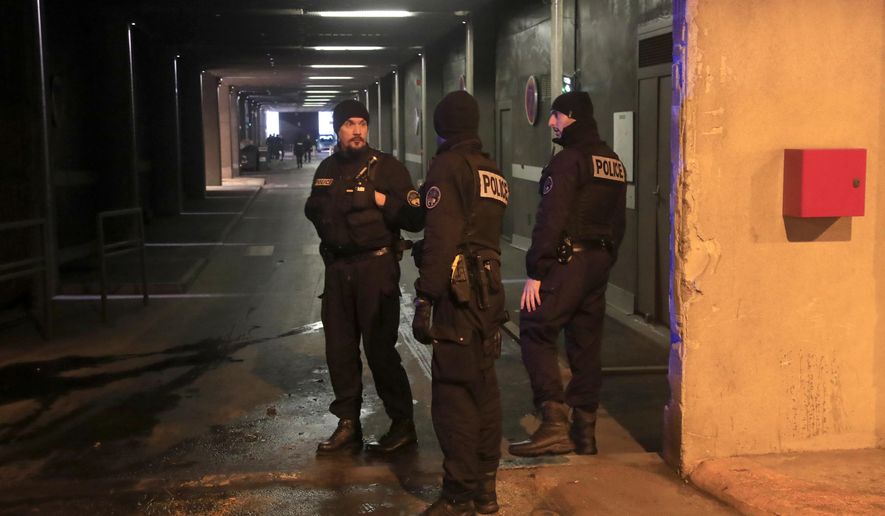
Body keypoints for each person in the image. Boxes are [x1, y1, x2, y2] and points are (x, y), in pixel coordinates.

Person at [508, 91, 627, 458]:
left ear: (571, 116)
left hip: (566, 263)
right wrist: (606, 261)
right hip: (598, 264)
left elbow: (551, 219)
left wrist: (537, 271)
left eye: (556, 115)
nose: (551, 122)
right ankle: (584, 433)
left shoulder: (568, 162)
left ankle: (553, 422)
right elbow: (619, 221)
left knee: (535, 329)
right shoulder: (612, 162)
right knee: (585, 344)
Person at [305, 99, 425, 456]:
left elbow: (415, 219)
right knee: (339, 350)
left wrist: (379, 198)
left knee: (379, 350)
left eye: (362, 123)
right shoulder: (326, 168)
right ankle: (348, 425)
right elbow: (317, 210)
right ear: (336, 128)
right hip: (338, 271)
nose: (357, 130)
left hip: (376, 269)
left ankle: (402, 424)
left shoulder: (387, 168)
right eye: (349, 124)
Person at [412, 91, 509, 515]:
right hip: (489, 294)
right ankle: (485, 489)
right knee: (484, 389)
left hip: (459, 295)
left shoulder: (448, 167)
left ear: (441, 128)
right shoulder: (491, 170)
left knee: (453, 396)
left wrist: (425, 297)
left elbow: (441, 239)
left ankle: (458, 495)